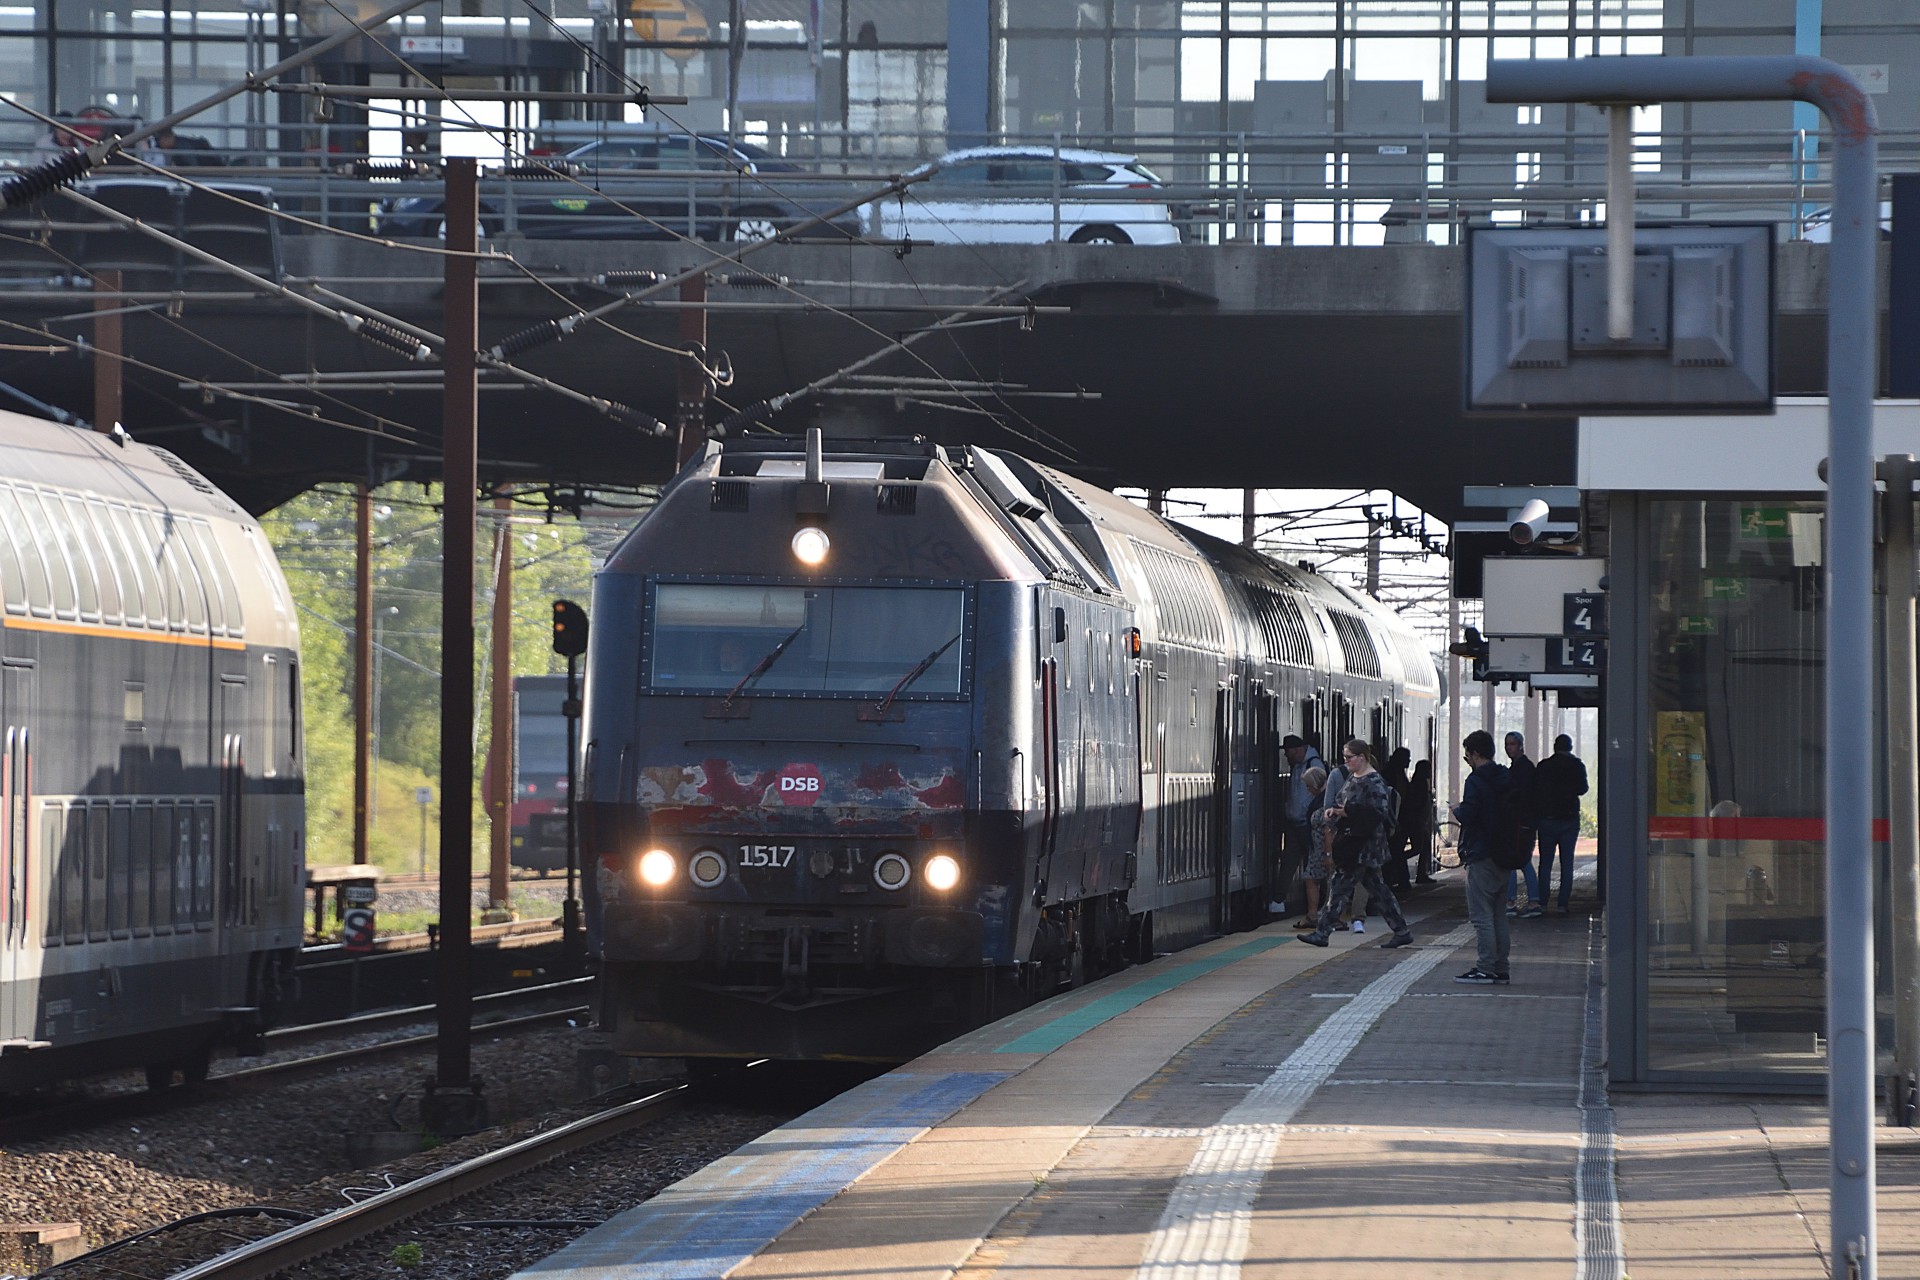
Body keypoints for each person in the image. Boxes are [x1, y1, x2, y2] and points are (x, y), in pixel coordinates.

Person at [1298, 739, 1413, 950]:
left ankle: (1322, 933)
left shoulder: (1374, 781)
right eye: (1345, 757)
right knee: (1379, 891)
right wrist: (1335, 811)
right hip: (1355, 844)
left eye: (1349, 757)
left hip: (1363, 846)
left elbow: (1378, 812)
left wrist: (1347, 811)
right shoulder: (1354, 778)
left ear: (1362, 757)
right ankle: (1402, 931)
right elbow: (1343, 800)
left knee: (1339, 888)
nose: (1346, 761)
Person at [1452, 730, 1511, 984]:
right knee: (1499, 915)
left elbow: (1471, 814)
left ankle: (1485, 967)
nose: (1467, 760)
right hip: (1504, 852)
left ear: (1475, 754)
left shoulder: (1476, 781)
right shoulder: (1505, 777)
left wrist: (1457, 810)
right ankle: (1501, 967)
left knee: (1481, 916)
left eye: (1467, 755)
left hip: (1481, 853)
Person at [1533, 732, 1588, 913]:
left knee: (1545, 863)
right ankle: (1562, 904)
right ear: (1570, 748)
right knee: (1567, 862)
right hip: (1569, 819)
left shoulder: (1544, 766)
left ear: (1555, 747)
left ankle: (1542, 902)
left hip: (1547, 820)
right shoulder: (1577, 765)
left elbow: (1536, 790)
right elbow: (1583, 789)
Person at [1275, 733, 1326, 915]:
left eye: (1288, 752)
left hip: (1307, 824)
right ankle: (1279, 899)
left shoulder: (1314, 765)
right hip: (1295, 822)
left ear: (1298, 750)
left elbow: (1318, 792)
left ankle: (1318, 905)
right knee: (1290, 861)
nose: (1286, 756)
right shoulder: (1298, 765)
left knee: (1312, 865)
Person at [1503, 731, 1544, 918]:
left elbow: (1521, 796)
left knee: (1514, 860)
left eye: (1512, 744)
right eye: (1507, 744)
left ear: (1520, 746)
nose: (1508, 748)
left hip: (1520, 822)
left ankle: (1513, 901)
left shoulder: (1522, 769)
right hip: (1523, 821)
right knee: (1522, 860)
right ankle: (1531, 900)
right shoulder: (1523, 767)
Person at [1292, 765, 1330, 930]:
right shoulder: (1322, 799)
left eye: (1309, 786)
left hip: (1322, 848)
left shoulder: (1324, 801)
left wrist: (1328, 853)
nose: (1308, 790)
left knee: (1313, 878)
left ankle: (1315, 914)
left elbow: (1328, 829)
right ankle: (1319, 914)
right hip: (1318, 847)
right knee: (1317, 878)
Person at [1380, 746, 1413, 892]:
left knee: (1396, 850)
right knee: (1395, 850)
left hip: (1400, 818)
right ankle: (1397, 880)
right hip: (1394, 818)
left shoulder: (1397, 773)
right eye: (1407, 758)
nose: (1409, 761)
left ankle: (1398, 880)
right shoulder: (1391, 774)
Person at [1406, 759, 1436, 883]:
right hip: (1418, 821)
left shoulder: (1419, 783)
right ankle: (1398, 860)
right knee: (1419, 847)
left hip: (1420, 821)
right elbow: (1419, 804)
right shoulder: (1420, 785)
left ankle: (1422, 873)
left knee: (1424, 847)